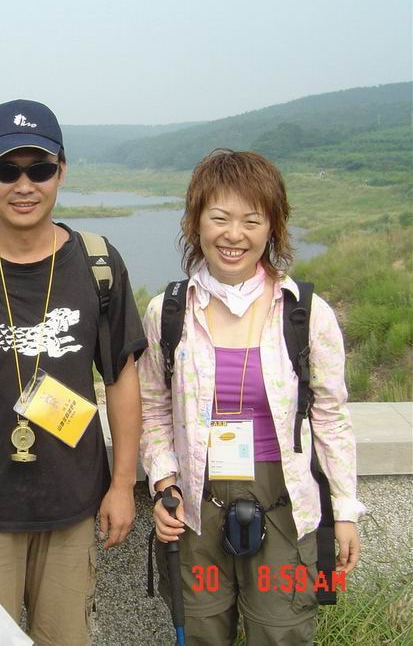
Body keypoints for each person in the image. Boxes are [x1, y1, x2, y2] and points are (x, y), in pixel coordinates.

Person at [0, 99, 147, 646]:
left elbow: (121, 378)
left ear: (62, 171)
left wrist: (122, 484)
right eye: (6, 170)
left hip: (73, 503)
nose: (23, 185)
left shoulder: (98, 265)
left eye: (39, 169)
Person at [139, 149, 364, 645]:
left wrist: (345, 511)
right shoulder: (168, 312)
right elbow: (153, 408)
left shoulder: (305, 313)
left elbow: (330, 418)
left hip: (285, 502)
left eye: (251, 220)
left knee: (281, 632)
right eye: (219, 217)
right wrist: (164, 484)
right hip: (196, 504)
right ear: (196, 222)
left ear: (272, 228)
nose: (233, 235)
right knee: (201, 631)